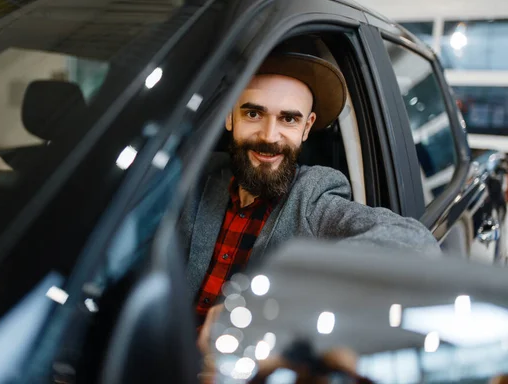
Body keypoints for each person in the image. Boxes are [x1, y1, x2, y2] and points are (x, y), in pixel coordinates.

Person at [178, 51, 440, 329]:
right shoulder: (195, 175)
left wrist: (270, 298)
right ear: (230, 117)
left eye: (288, 119)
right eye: (253, 114)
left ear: (307, 127)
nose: (269, 136)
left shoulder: (313, 197)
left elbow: (415, 244)